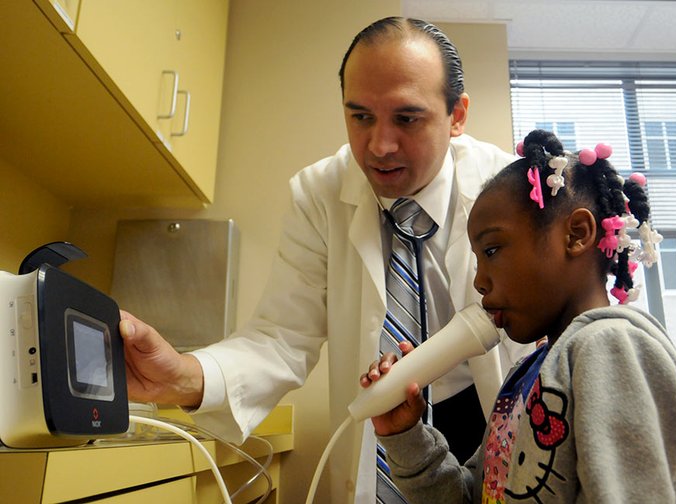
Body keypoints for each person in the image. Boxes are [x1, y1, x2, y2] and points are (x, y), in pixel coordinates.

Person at [117, 17, 533, 503]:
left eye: (407, 118)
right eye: (360, 117)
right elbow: (280, 338)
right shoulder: (320, 194)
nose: (379, 146)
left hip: (491, 416)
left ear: (456, 114)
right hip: (388, 436)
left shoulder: (507, 188)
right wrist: (184, 376)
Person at [361, 129, 676, 503]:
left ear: (577, 234)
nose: (480, 281)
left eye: (491, 250)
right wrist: (406, 435)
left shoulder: (608, 347)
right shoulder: (531, 371)